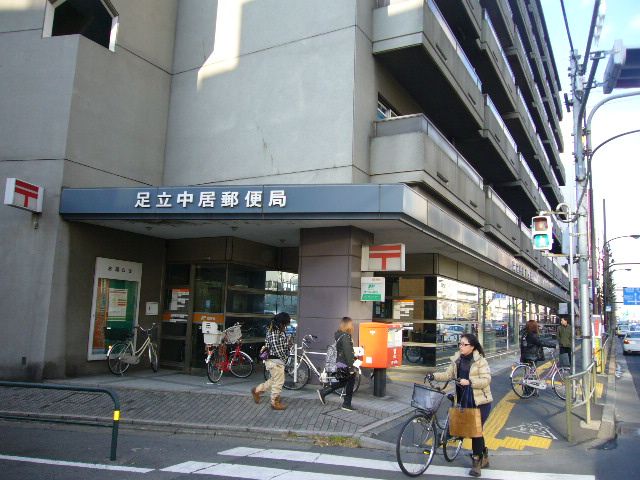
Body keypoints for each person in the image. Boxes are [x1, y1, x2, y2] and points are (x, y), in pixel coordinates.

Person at [427, 334, 492, 477]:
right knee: (474, 430)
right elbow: (447, 375)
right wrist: (434, 376)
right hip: (463, 400)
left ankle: (477, 463)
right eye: (460, 344)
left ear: (472, 346)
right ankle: (484, 455)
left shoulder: (480, 361)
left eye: (464, 344)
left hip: (481, 402)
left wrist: (470, 382)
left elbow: (486, 380)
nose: (461, 346)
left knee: (476, 431)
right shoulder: (457, 359)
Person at [317, 317, 357, 412]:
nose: (352, 326)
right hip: (345, 363)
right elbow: (347, 352)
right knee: (350, 382)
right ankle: (346, 404)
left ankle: (324, 392)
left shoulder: (339, 335)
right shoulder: (346, 336)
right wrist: (351, 368)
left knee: (343, 381)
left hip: (340, 362)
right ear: (348, 325)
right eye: (351, 324)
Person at [251, 312, 291, 410]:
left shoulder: (275, 329)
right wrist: (285, 359)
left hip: (274, 360)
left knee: (274, 380)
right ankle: (274, 402)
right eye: (286, 324)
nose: (286, 326)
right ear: (282, 322)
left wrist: (287, 343)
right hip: (275, 360)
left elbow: (280, 345)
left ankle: (257, 390)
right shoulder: (275, 331)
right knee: (279, 382)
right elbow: (277, 349)